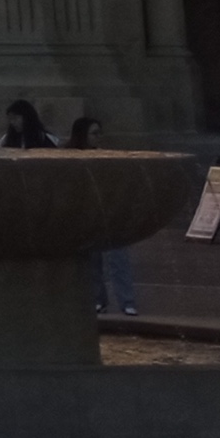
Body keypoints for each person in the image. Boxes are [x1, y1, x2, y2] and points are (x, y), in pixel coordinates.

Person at [72, 116, 142, 315]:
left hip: (111, 214)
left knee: (119, 260)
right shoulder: (71, 156)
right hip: (89, 214)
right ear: (83, 135)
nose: (97, 137)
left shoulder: (106, 156)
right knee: (93, 261)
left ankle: (127, 301)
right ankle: (98, 299)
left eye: (99, 133)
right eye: (94, 133)